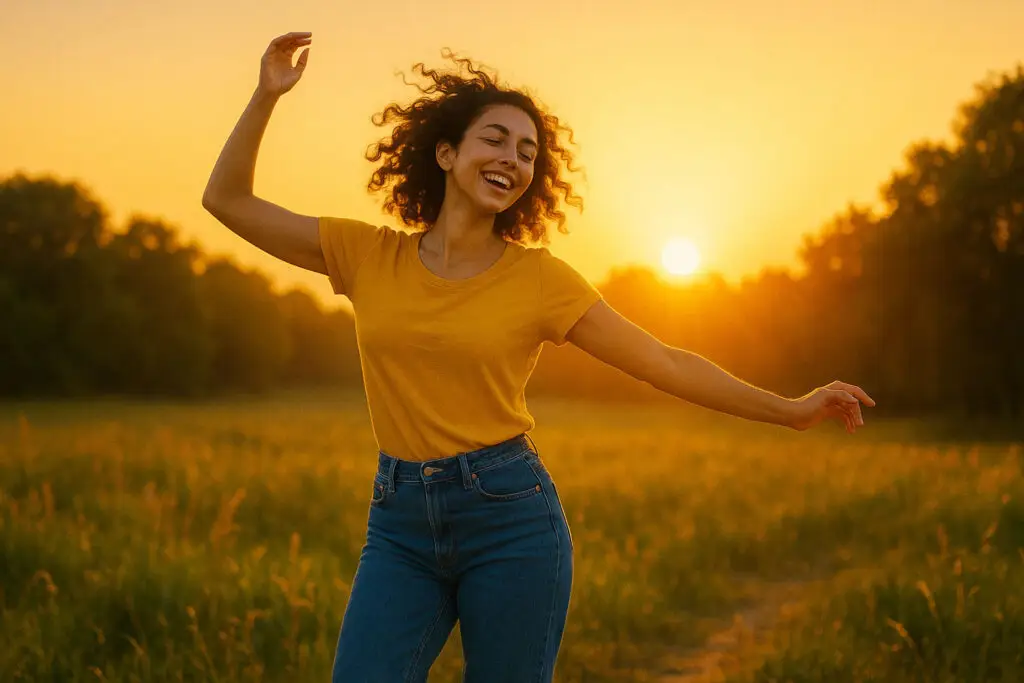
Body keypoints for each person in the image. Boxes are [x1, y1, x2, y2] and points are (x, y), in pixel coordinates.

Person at [202, 31, 876, 683]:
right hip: (399, 521)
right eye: (495, 139)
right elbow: (226, 201)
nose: (513, 159)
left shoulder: (540, 281)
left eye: (527, 151)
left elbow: (663, 361)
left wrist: (790, 410)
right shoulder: (366, 254)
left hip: (509, 519)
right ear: (444, 153)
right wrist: (266, 96)